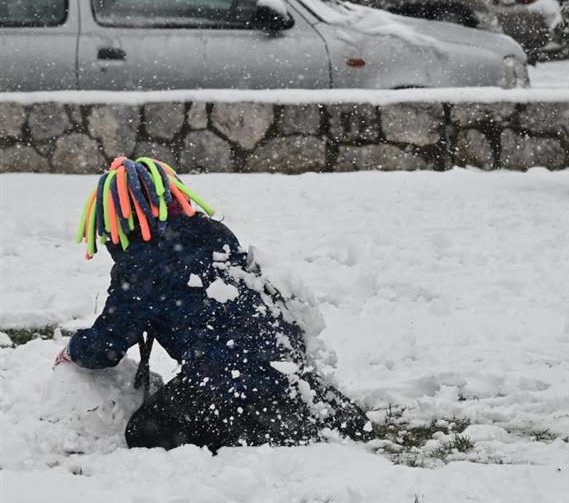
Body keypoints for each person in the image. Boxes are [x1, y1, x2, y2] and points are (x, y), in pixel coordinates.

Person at [55, 157, 372, 451]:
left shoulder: (140, 265)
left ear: (116, 220)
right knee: (276, 384)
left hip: (221, 373)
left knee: (143, 430)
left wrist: (73, 350)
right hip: (280, 351)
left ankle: (258, 431)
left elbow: (106, 346)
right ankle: (299, 409)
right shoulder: (213, 233)